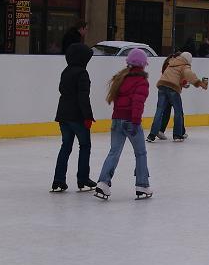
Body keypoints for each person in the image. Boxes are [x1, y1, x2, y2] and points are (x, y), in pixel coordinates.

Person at [94, 50, 152, 200]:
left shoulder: (121, 78)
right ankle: (142, 185)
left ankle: (103, 183)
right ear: (143, 65)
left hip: (117, 120)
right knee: (140, 153)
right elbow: (137, 104)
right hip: (130, 121)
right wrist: (135, 122)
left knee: (114, 152)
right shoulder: (141, 81)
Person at [52, 43, 97, 192]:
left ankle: (58, 179)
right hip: (77, 117)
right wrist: (88, 116)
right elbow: (83, 97)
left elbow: (61, 89)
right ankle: (83, 178)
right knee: (85, 146)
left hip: (63, 116)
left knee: (65, 147)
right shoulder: (82, 73)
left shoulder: (66, 71)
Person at [147, 51, 208, 142]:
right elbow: (189, 74)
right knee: (178, 111)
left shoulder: (172, 62)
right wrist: (200, 83)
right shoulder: (184, 64)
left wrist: (182, 84)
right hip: (172, 89)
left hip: (162, 86)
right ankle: (177, 135)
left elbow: (173, 76)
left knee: (159, 111)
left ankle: (151, 135)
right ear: (188, 60)